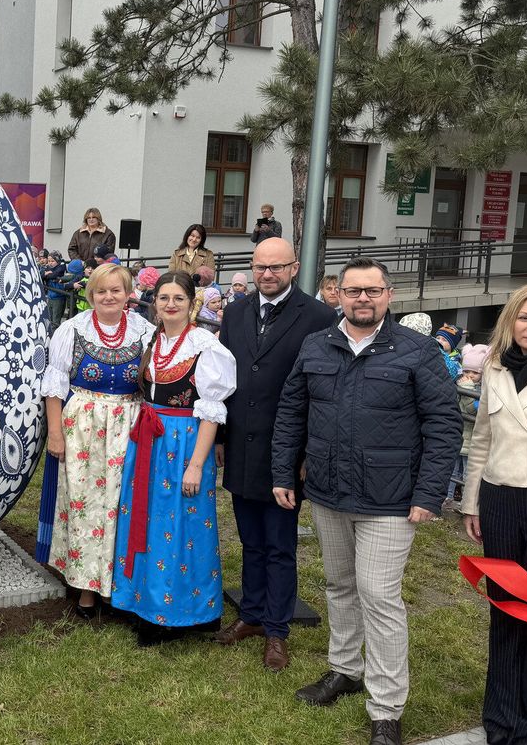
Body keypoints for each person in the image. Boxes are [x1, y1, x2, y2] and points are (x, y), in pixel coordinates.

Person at [272, 257, 461, 745]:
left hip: (391, 499)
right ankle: (345, 669)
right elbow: (292, 411)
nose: (362, 299)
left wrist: (429, 494)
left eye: (372, 291)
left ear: (388, 296)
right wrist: (282, 472)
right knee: (339, 585)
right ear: (337, 294)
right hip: (329, 492)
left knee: (379, 596)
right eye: (353, 291)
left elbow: (443, 425)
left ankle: (386, 708)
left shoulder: (417, 352)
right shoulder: (318, 345)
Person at [215, 238, 336, 671]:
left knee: (279, 544)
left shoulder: (320, 316)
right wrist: (221, 439)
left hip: (286, 450)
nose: (268, 274)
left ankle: (277, 630)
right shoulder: (235, 311)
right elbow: (225, 379)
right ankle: (251, 614)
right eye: (261, 266)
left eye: (277, 267)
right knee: (249, 541)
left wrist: (306, 453)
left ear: (294, 267)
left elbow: (323, 391)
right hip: (242, 446)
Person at [111, 271, 236, 645]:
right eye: (163, 298)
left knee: (183, 522)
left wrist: (196, 464)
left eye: (178, 298)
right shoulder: (154, 339)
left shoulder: (205, 345)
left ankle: (182, 611)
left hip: (184, 443)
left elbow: (212, 410)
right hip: (148, 439)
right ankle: (143, 603)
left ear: (191, 302)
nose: (169, 304)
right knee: (146, 518)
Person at [461, 284, 527, 745]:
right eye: (525, 317)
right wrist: (471, 502)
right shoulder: (495, 368)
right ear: (510, 320)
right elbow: (481, 440)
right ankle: (500, 719)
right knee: (505, 610)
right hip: (499, 501)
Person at [42, 263, 155, 616]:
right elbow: (54, 385)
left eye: (116, 290)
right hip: (84, 426)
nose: (109, 297)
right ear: (90, 294)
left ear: (128, 295)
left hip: (129, 424)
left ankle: (117, 586)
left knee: (122, 504)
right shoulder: (71, 330)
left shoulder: (145, 331)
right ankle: (85, 587)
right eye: (102, 291)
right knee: (84, 504)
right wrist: (56, 433)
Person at [445, 343, 488, 510]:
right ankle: (448, 498)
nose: (470, 375)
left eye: (475, 372)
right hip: (458, 437)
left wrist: (467, 388)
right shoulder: (459, 384)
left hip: (472, 441)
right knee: (452, 471)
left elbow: (474, 411)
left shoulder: (482, 390)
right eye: (467, 371)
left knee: (469, 474)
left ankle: (466, 503)